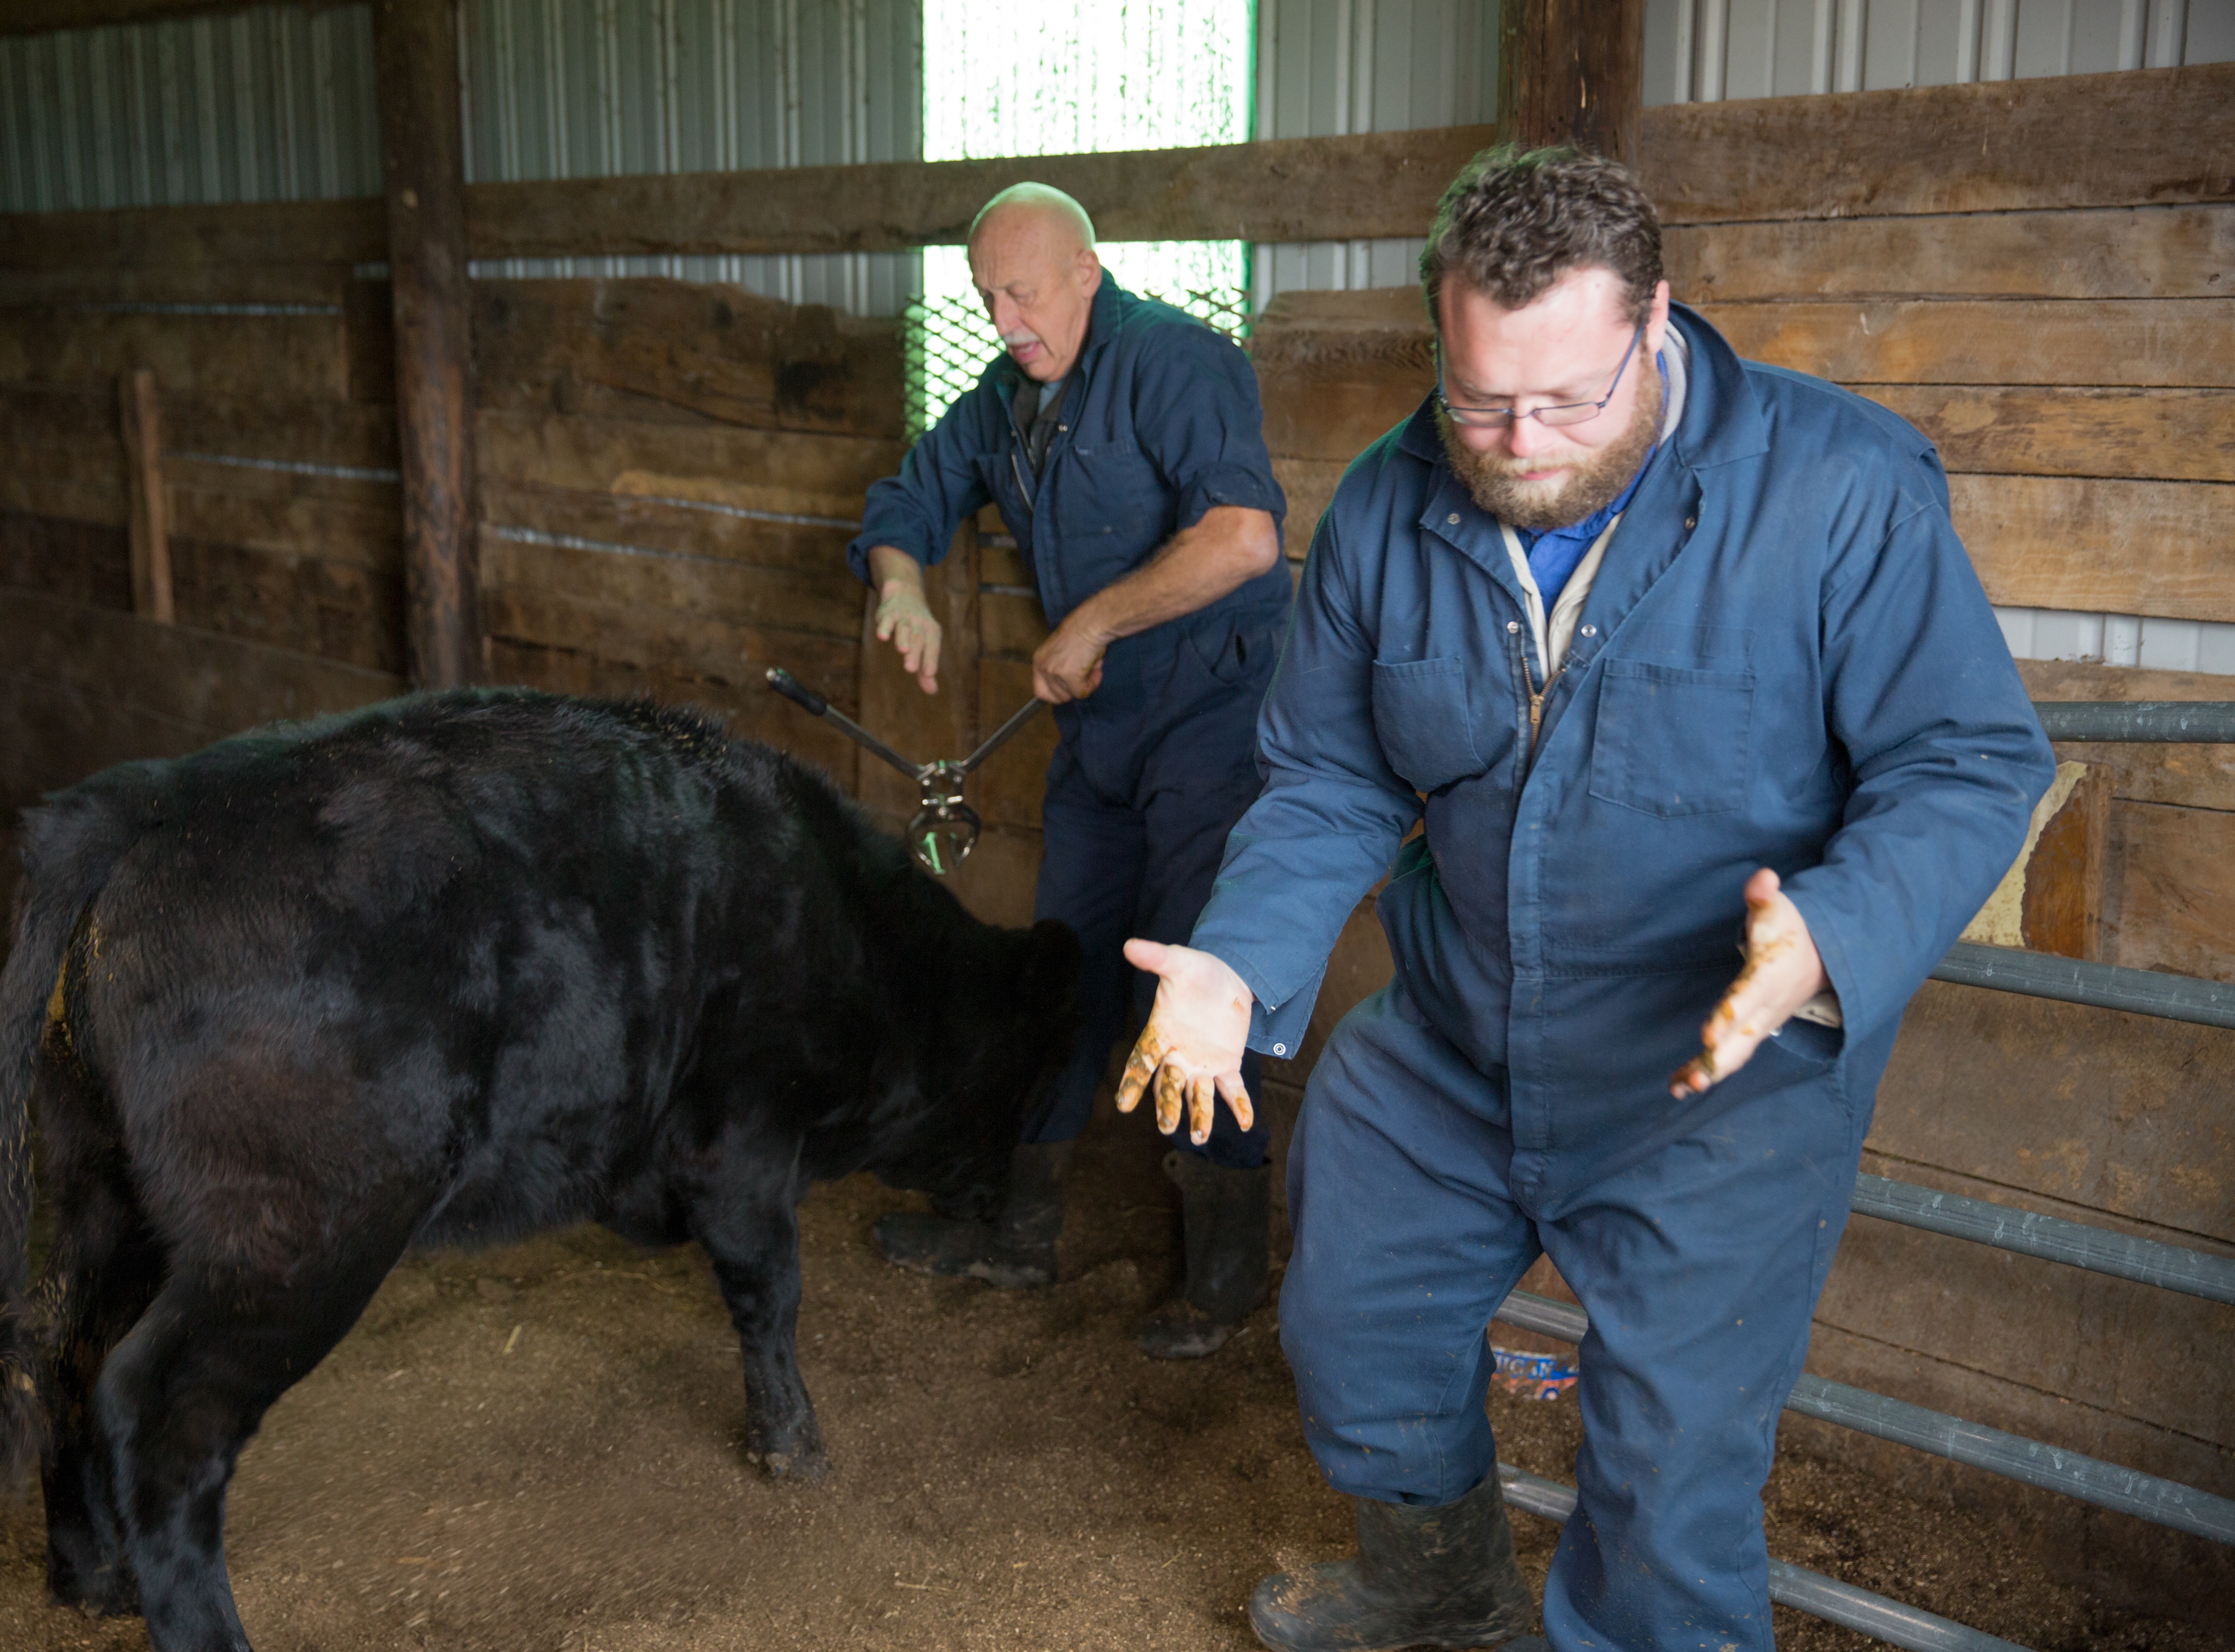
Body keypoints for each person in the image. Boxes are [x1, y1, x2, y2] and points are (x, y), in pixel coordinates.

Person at [1113, 148, 2054, 1649]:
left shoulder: (1839, 489)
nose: (1522, 442)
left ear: (1654, 321)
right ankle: (1437, 1594)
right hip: (1456, 1035)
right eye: (1480, 401)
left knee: (1669, 1475)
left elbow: (1967, 760)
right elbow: (1331, 775)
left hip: (1721, 1066)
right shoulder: (1386, 506)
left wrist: (1831, 934)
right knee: (1356, 1329)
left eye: (1566, 400)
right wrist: (1237, 960)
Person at [847, 183, 1291, 1359]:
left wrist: (1091, 622)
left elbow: (1244, 537)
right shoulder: (1007, 397)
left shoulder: (1177, 364)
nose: (1004, 320)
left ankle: (1225, 1270)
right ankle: (1021, 1228)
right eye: (987, 297)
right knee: (1061, 967)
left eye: (1023, 292)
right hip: (1101, 740)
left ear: (1088, 272)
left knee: (1190, 978)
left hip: (1210, 724)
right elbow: (912, 496)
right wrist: (903, 586)